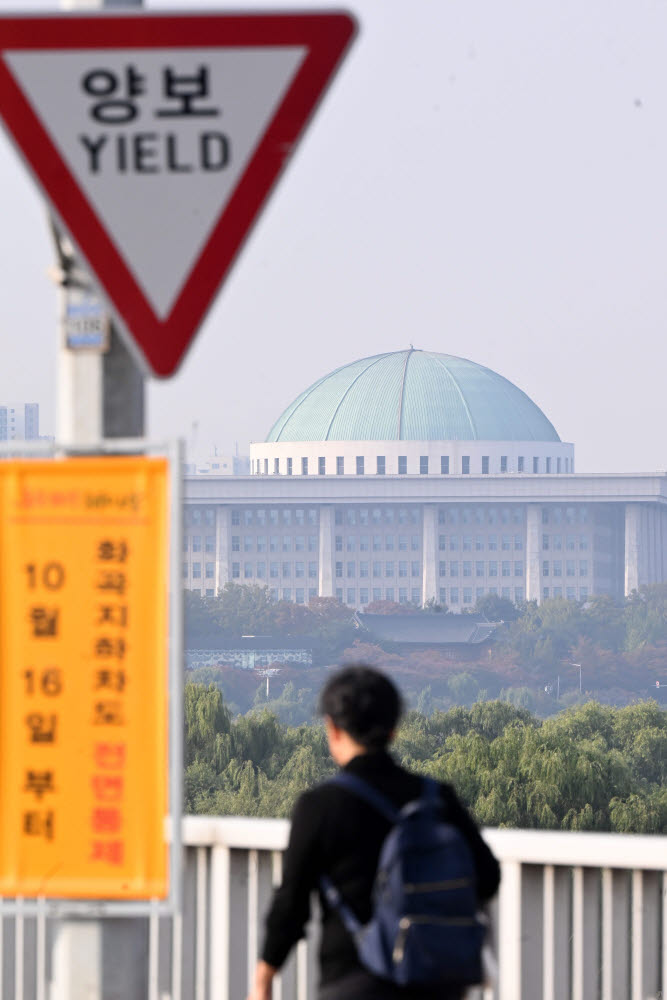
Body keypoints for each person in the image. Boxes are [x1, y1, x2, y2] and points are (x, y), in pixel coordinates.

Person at [247, 665, 501, 1000]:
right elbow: (488, 877)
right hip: (436, 982)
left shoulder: (320, 806)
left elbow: (291, 905)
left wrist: (264, 977)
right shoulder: (437, 798)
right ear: (394, 730)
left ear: (333, 728)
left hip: (355, 981)